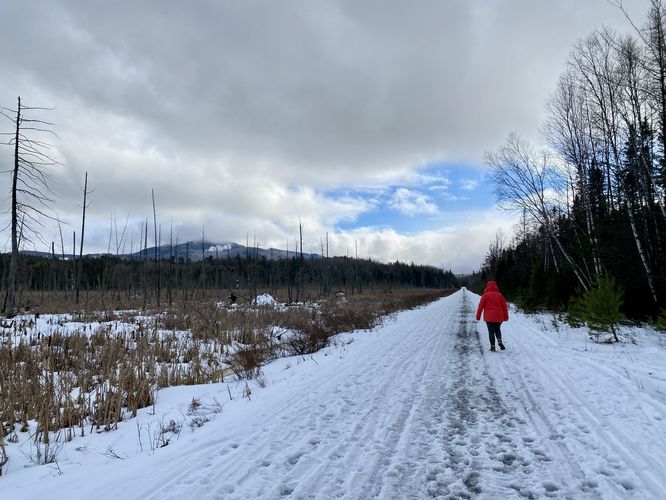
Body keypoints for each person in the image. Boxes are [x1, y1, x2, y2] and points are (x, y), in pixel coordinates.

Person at [475, 281, 509, 352]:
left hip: (489, 317)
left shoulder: (485, 295)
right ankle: (499, 340)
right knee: (497, 329)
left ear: (487, 286)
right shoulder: (500, 295)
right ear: (495, 286)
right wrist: (506, 317)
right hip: (499, 317)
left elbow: (480, 307)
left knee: (491, 332)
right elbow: (504, 307)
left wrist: (478, 316)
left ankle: (493, 347)